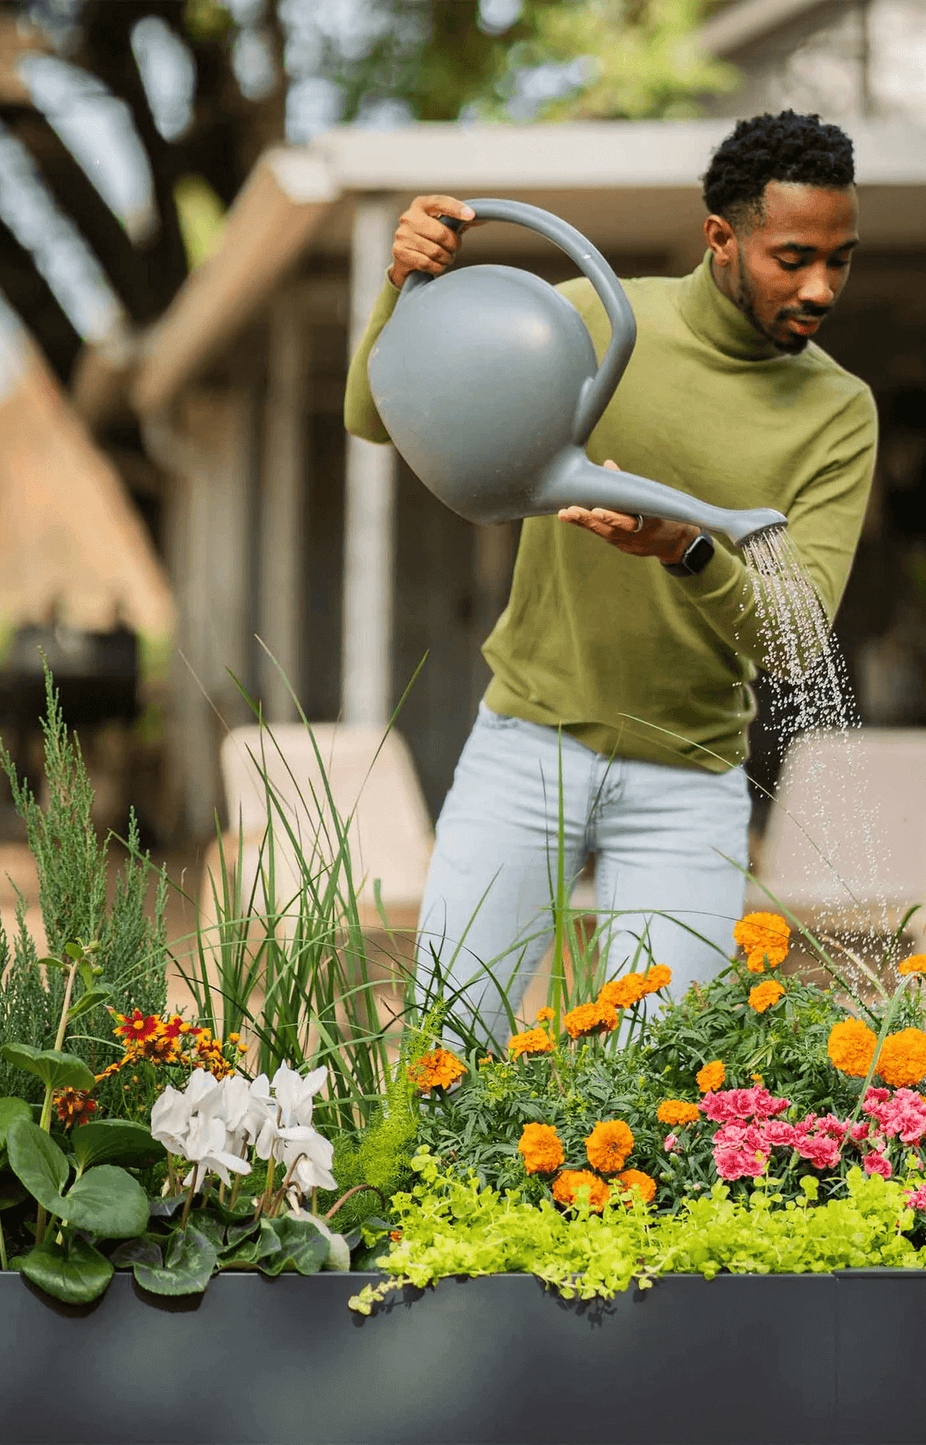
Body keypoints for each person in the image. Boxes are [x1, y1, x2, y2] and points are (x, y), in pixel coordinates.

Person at [344, 110, 877, 1044]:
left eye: (839, 260)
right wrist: (404, 287)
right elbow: (374, 416)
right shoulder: (592, 318)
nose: (819, 287)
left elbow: (795, 640)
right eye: (792, 258)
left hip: (689, 780)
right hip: (525, 749)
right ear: (720, 238)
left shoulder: (836, 413)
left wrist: (687, 550)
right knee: (450, 1046)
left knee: (660, 1078)